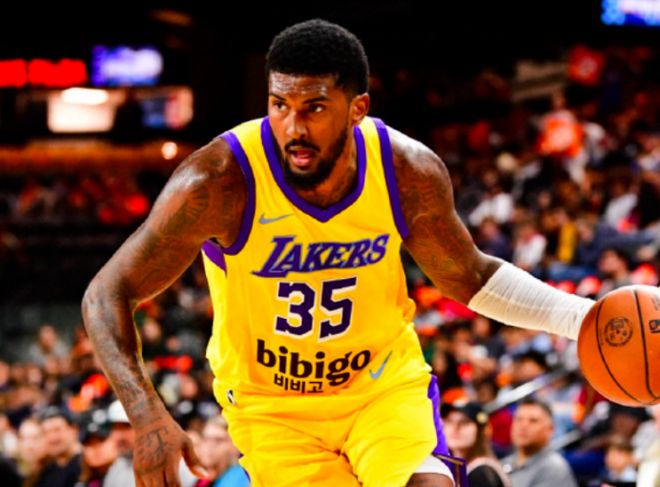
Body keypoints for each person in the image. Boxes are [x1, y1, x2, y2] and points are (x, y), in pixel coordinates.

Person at [81, 18, 596, 487]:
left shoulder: (407, 171)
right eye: (279, 105)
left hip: (380, 389)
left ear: (357, 109)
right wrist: (146, 415)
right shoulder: (217, 181)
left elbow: (472, 276)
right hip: (275, 408)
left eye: (314, 108)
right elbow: (107, 293)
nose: (293, 127)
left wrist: (585, 319)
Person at [502, 398, 578, 487]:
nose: (523, 426)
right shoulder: (506, 462)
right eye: (519, 419)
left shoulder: (554, 469)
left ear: (550, 429)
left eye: (533, 421)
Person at [441, 401, 511, 486]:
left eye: (464, 422)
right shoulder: (468, 470)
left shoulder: (481, 474)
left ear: (481, 430)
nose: (455, 428)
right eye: (449, 421)